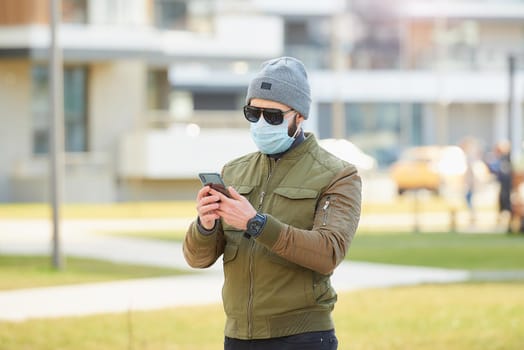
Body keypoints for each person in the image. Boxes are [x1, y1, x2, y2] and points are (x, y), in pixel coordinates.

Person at [183, 56, 362, 349]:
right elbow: (197, 259)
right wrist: (204, 225)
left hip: (302, 338)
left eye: (274, 116)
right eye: (253, 113)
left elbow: (329, 252)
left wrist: (256, 223)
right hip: (238, 336)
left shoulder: (338, 174)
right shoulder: (234, 171)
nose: (262, 123)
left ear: (300, 117)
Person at [485, 140, 513, 232]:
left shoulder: (508, 158)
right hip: (502, 184)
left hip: (508, 186)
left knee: (507, 201)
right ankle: (503, 218)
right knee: (502, 200)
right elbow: (494, 169)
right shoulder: (499, 159)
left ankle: (508, 220)